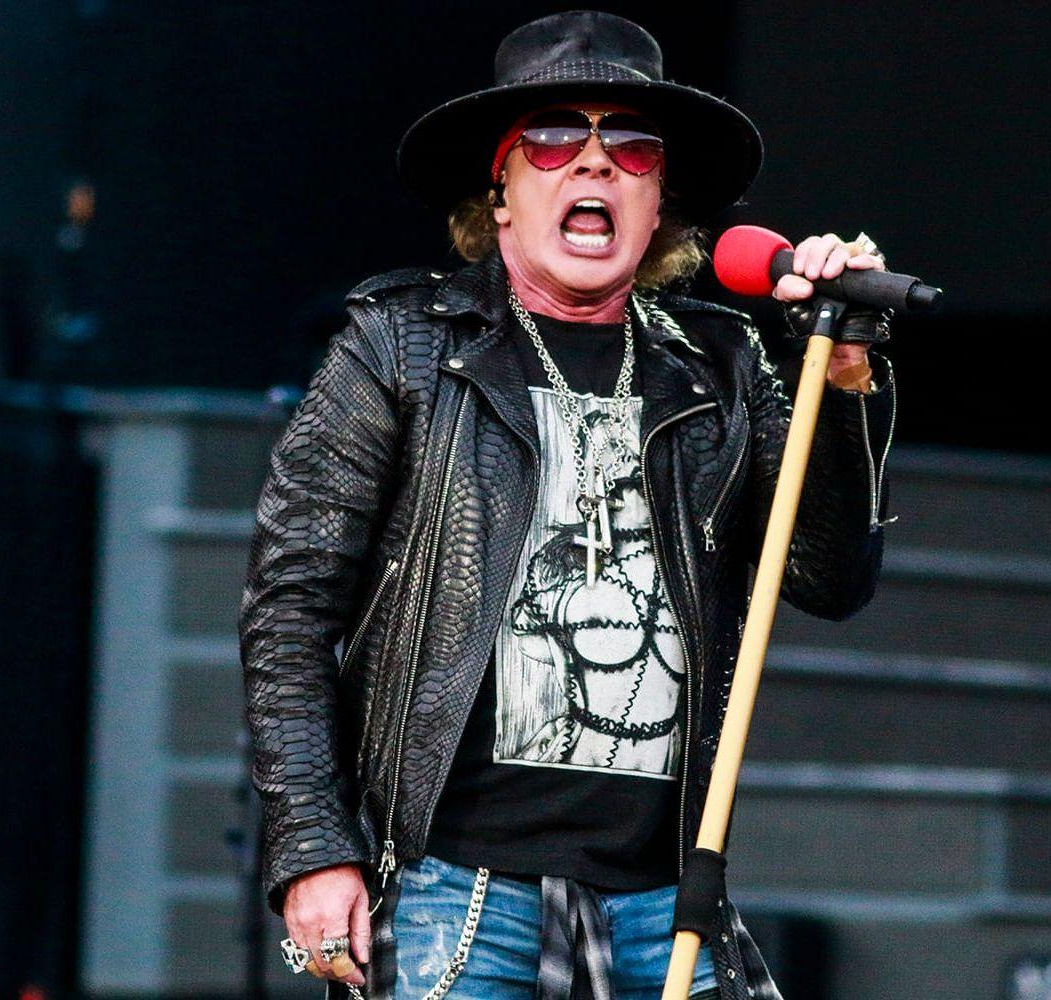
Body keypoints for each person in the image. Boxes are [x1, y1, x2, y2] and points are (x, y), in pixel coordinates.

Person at [239, 11, 896, 999]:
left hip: (667, 900)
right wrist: (314, 849)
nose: (594, 162)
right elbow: (290, 609)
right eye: (552, 138)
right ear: (500, 191)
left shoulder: (720, 367)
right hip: (457, 892)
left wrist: (841, 381)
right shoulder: (402, 348)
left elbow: (828, 578)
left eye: (631, 146)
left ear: (659, 199)